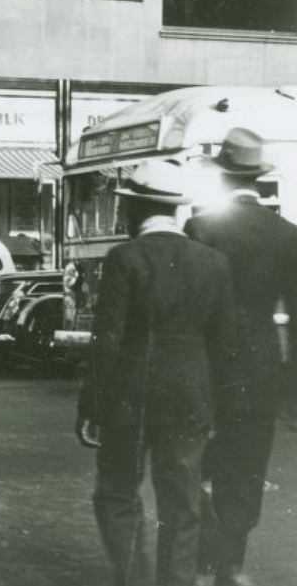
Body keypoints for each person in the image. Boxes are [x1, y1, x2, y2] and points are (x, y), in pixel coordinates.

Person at [75, 161, 235, 586]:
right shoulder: (214, 262)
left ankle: (133, 578)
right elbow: (224, 345)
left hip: (130, 396)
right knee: (182, 505)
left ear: (136, 210)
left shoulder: (124, 257)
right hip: (190, 397)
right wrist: (218, 409)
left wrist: (91, 405)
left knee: (117, 494)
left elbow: (105, 340)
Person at [184, 128, 297, 586]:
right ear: (259, 180)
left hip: (208, 363)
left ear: (223, 178)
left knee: (201, 463)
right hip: (261, 366)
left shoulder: (200, 228)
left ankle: (203, 562)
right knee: (248, 464)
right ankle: (233, 563)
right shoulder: (288, 235)